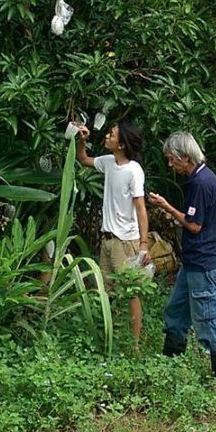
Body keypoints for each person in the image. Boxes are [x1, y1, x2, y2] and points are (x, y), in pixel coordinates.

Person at [146, 131, 216, 382]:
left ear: (186, 157)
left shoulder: (200, 183)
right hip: (194, 263)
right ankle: (170, 367)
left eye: (172, 160)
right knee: (175, 311)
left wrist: (166, 207)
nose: (171, 165)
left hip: (203, 264)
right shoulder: (202, 178)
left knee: (208, 318)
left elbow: (194, 226)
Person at [75, 118, 152, 342]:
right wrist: (82, 141)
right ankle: (116, 337)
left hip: (124, 241)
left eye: (112, 134)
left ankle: (135, 344)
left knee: (130, 292)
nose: (107, 136)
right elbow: (83, 159)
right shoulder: (108, 162)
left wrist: (143, 245)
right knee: (109, 292)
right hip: (107, 239)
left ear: (122, 144)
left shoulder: (133, 171)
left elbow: (141, 209)